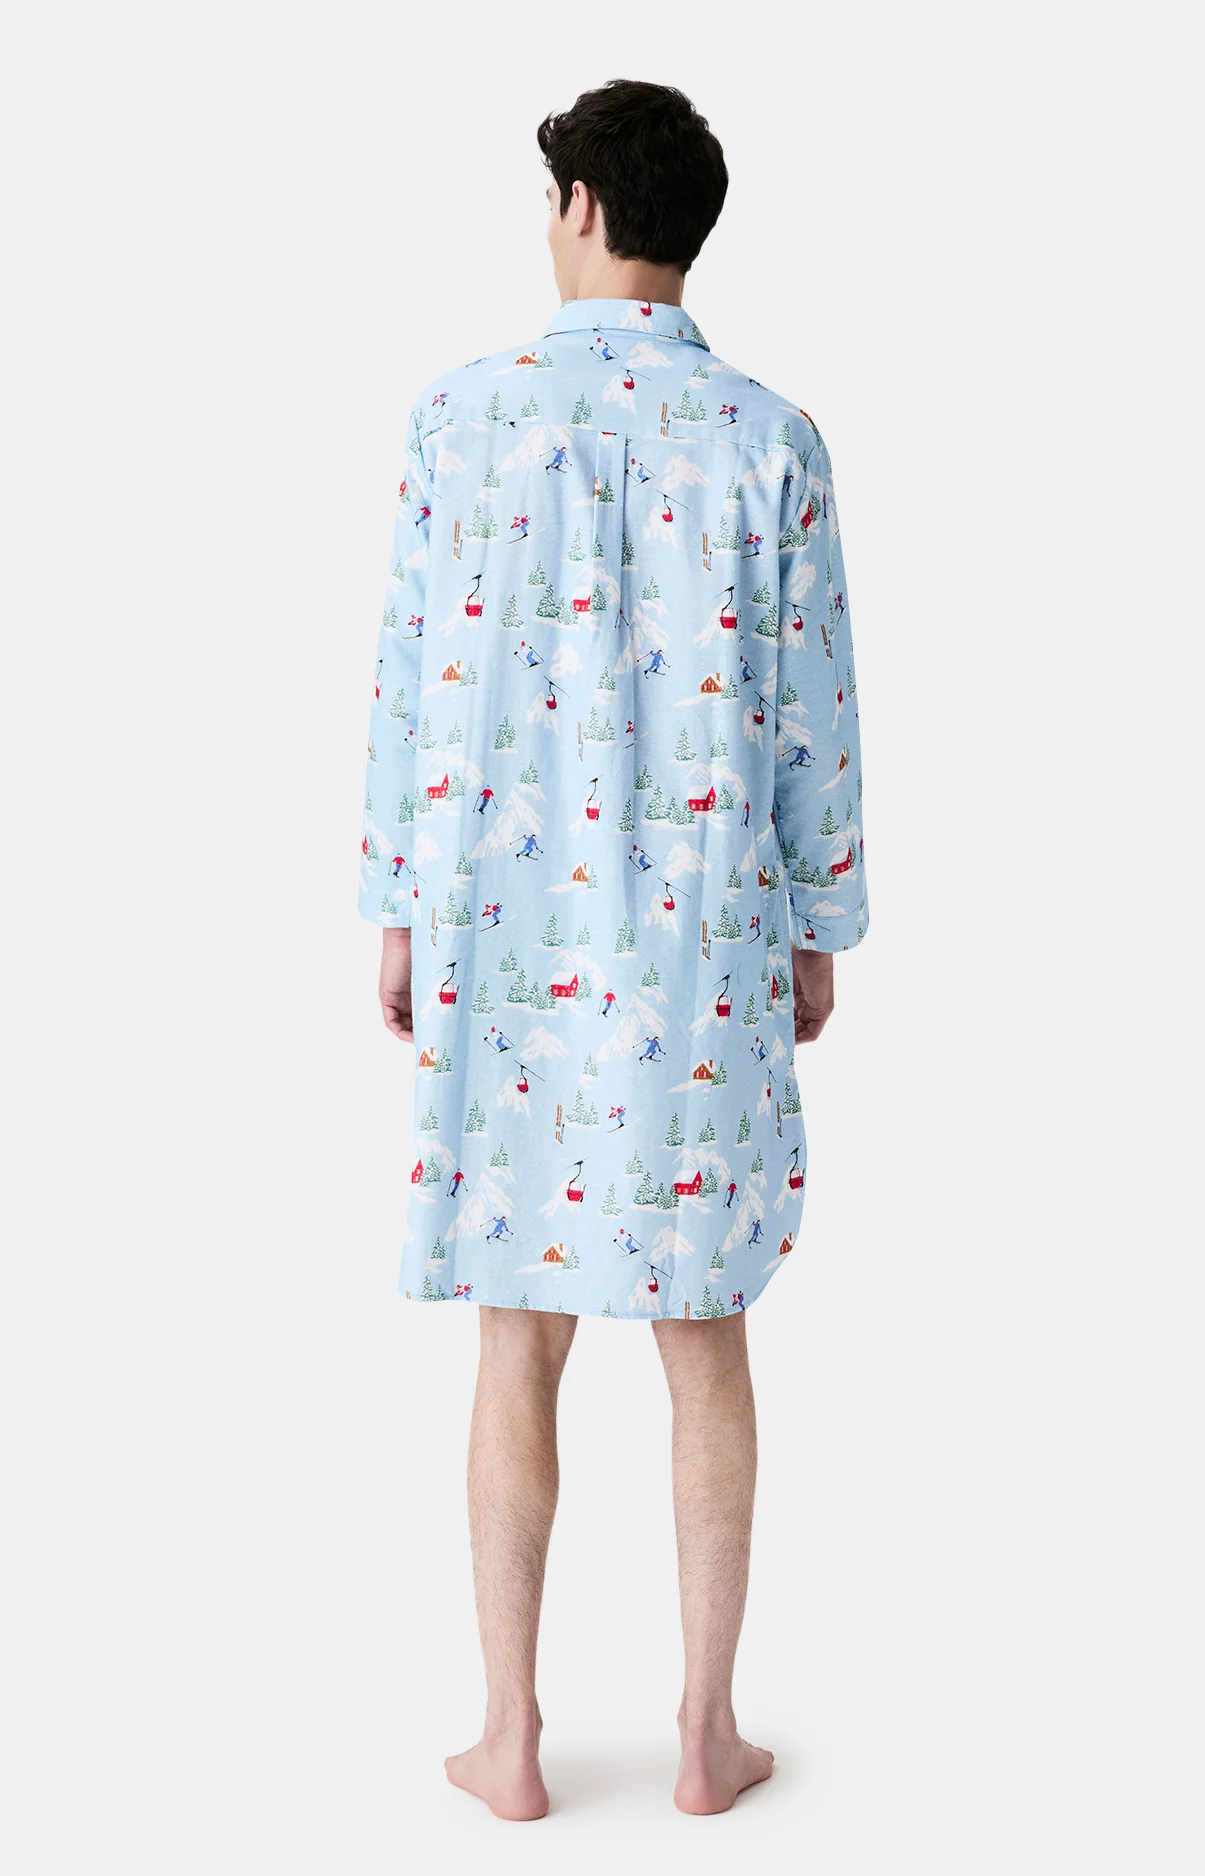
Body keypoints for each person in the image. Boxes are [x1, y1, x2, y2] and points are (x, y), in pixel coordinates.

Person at [358, 78, 868, 1823]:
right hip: (706, 943)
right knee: (703, 1324)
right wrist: (820, 930)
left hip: (500, 932)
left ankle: (509, 1734)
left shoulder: (458, 422)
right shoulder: (775, 438)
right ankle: (708, 1734)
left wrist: (397, 905)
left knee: (518, 1330)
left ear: (580, 204)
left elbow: (412, 685)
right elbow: (814, 714)